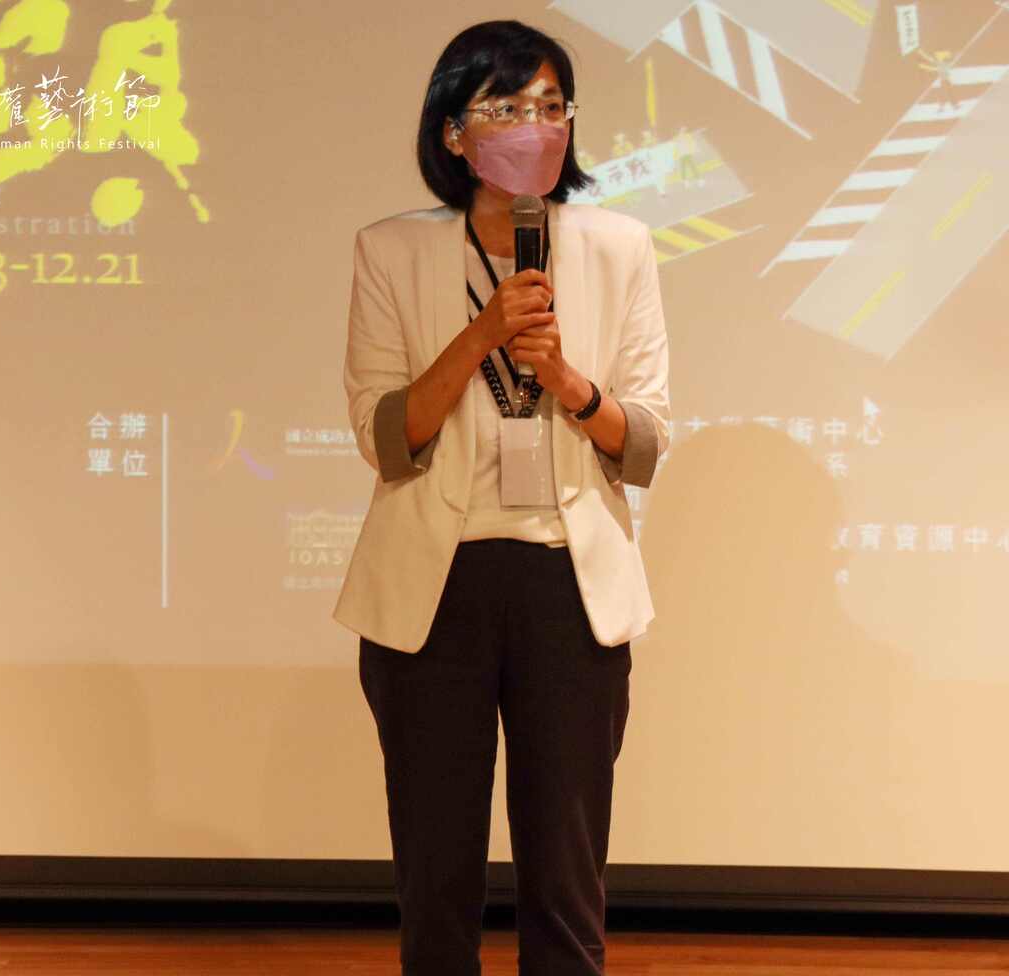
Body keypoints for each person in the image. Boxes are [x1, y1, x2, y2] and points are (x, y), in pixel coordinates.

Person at [334, 19, 671, 976]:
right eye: (509, 107)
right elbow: (386, 439)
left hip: (570, 584)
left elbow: (646, 442)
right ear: (454, 131)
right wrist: (480, 335)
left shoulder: (618, 247)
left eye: (552, 105)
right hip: (434, 584)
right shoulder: (391, 251)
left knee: (566, 874)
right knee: (436, 871)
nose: (537, 125)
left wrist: (567, 382)